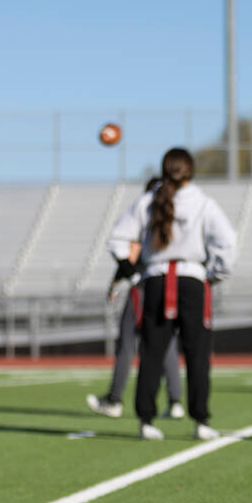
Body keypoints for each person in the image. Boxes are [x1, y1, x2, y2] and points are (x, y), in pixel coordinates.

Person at [106, 148, 238, 441]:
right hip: (193, 282)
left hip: (155, 282)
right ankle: (201, 421)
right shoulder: (204, 203)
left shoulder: (147, 201)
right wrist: (215, 275)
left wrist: (132, 272)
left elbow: (116, 240)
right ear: (191, 171)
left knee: (151, 353)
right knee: (198, 355)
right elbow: (228, 244)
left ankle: (146, 421)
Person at [87, 177, 185, 421]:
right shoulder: (174, 214)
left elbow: (131, 255)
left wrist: (117, 281)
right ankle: (175, 401)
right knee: (168, 343)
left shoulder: (147, 213)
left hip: (143, 286)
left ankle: (114, 399)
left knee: (127, 343)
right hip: (169, 283)